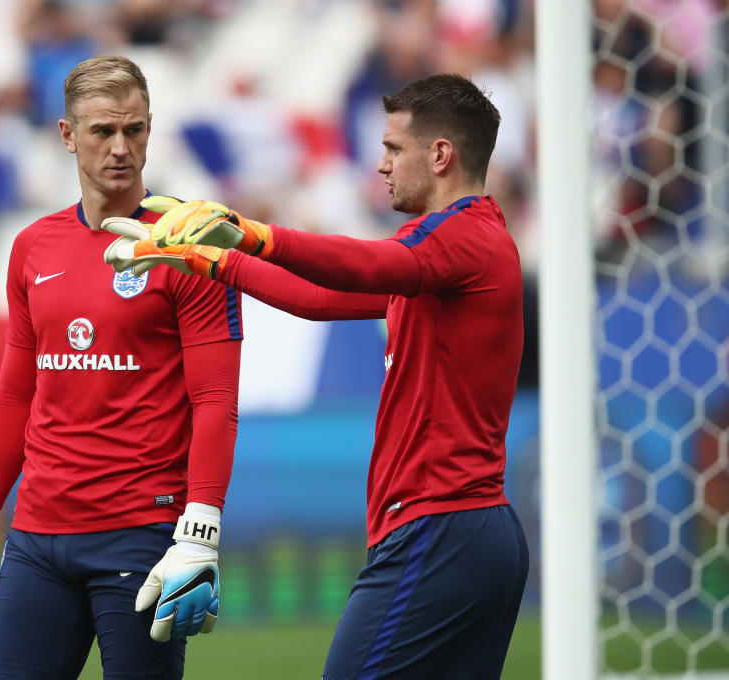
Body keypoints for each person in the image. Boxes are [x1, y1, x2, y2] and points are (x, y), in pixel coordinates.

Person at [103, 73, 529, 679]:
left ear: (440, 156)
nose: (379, 165)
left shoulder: (459, 237)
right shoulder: (450, 253)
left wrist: (254, 233)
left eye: (392, 149)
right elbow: (320, 299)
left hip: (438, 527)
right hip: (471, 528)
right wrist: (211, 260)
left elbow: (362, 263)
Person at [0, 55, 243, 680]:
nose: (120, 148)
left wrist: (200, 530)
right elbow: (15, 394)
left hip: (140, 534)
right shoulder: (32, 248)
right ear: (67, 135)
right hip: (37, 539)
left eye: (134, 130)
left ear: (151, 130)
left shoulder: (189, 243)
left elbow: (215, 399)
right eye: (103, 131)